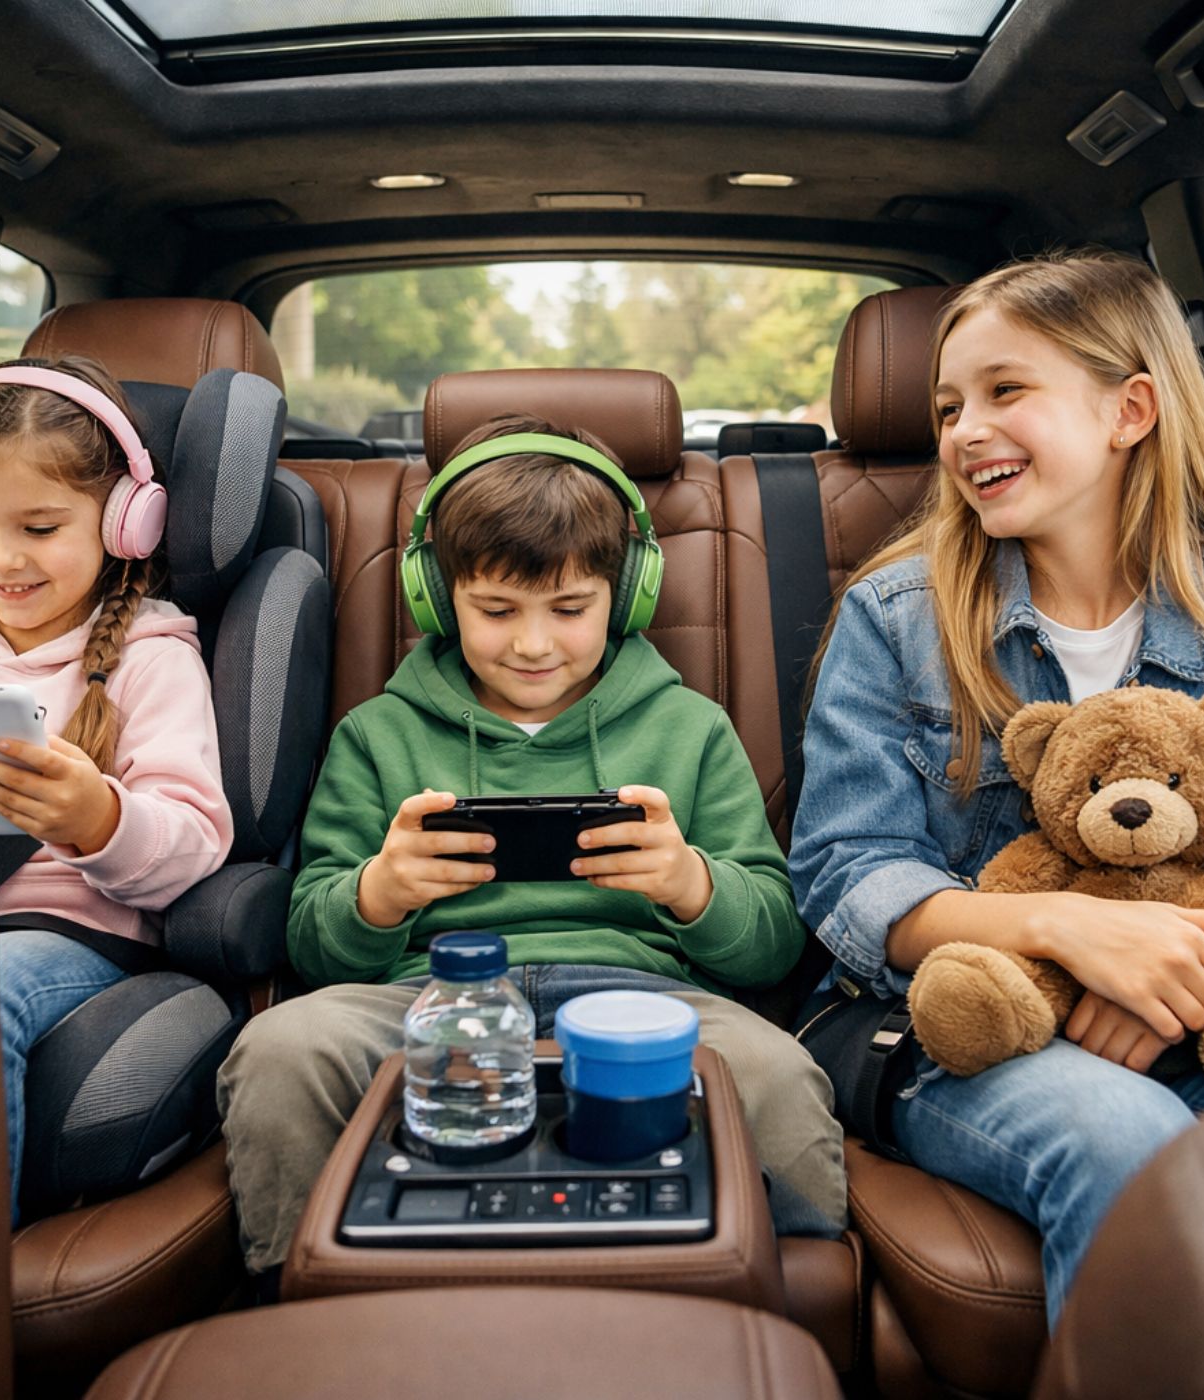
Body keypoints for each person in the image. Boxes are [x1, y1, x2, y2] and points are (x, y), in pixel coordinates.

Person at [218, 413, 846, 1281]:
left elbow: (773, 940)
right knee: (282, 1050)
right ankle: (300, 1304)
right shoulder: (377, 735)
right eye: (496, 610)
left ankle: (788, 1303)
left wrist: (691, 885)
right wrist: (378, 895)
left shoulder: (691, 728)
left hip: (646, 1000)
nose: (533, 643)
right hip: (427, 996)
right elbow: (313, 942)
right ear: (437, 597)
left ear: (626, 595)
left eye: (571, 609)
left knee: (777, 1076)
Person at [789, 250, 1204, 1329]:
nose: (963, 432)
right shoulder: (897, 617)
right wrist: (1072, 933)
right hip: (951, 1018)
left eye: (1004, 391)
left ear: (1130, 410)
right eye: (948, 408)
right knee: (1131, 1144)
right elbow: (848, 872)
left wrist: (1177, 979)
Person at [0, 356, 232, 1224]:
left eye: (40, 527)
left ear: (124, 522)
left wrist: (96, 818)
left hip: (73, 933)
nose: (3, 559)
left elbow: (193, 842)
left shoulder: (151, 659)